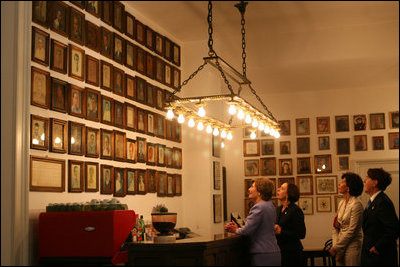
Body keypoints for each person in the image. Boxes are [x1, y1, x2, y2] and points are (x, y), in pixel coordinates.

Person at [225, 178, 281, 266]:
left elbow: (246, 231)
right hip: (272, 251)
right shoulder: (270, 205)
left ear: (259, 192)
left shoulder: (259, 207)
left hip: (262, 253)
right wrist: (238, 228)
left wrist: (235, 230)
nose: (249, 189)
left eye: (252, 187)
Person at [361, 168, 399, 266]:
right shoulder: (374, 201)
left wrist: (377, 247)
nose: (364, 181)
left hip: (380, 256)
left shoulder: (383, 202)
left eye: (367, 178)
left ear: (375, 183)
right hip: (371, 255)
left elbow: (393, 229)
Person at [330, 172, 364, 266]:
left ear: (349, 187)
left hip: (352, 245)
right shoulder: (341, 203)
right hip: (340, 245)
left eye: (342, 182)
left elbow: (352, 231)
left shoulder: (357, 204)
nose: (339, 184)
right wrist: (336, 246)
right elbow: (335, 227)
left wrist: (337, 248)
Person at [275, 183, 306, 266]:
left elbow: (301, 234)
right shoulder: (279, 209)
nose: (278, 189)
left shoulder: (295, 210)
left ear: (289, 193)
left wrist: (281, 231)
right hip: (279, 251)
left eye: (282, 188)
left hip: (292, 253)